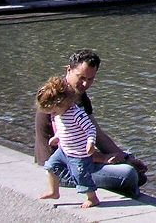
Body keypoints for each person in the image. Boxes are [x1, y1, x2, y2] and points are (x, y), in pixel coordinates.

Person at [35, 49, 147, 199]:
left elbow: (96, 133)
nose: (85, 83)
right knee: (128, 175)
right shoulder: (57, 99)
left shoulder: (79, 96)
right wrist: (104, 159)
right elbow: (70, 146)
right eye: (80, 77)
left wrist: (125, 158)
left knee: (129, 160)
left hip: (80, 157)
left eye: (90, 79)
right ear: (68, 70)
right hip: (64, 168)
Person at [36, 75, 104, 208]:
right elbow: (64, 128)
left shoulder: (76, 113)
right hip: (64, 150)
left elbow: (90, 128)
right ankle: (53, 191)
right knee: (51, 166)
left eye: (54, 110)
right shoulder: (59, 114)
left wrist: (90, 142)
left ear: (63, 103)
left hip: (78, 154)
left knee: (81, 176)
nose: (53, 114)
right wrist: (57, 137)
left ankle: (92, 198)